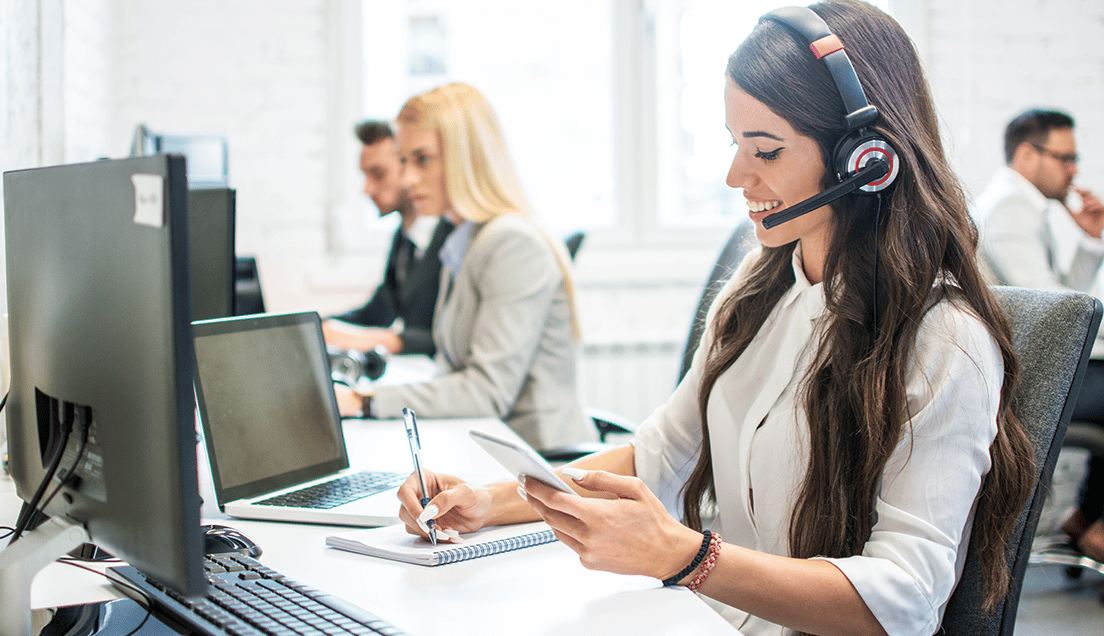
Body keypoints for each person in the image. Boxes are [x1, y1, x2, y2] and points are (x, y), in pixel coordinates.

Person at [393, 3, 1036, 635]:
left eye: (766, 151)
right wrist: (488, 502)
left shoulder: (943, 340)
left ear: (864, 162)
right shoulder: (756, 296)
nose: (737, 176)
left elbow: (905, 601)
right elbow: (659, 455)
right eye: (736, 145)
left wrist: (686, 557)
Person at [336, 83, 594, 452]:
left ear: (467, 158)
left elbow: (486, 392)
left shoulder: (511, 243)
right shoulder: (463, 239)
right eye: (405, 160)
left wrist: (365, 400)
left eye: (422, 159)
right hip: (492, 448)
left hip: (541, 462)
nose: (407, 179)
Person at [975, 108, 1104, 562]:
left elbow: (1061, 302)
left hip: (1032, 362)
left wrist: (1090, 240)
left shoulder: (1020, 204)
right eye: (1065, 158)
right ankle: (1095, 525)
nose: (1073, 171)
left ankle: (1085, 520)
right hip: (1023, 377)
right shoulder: (1010, 208)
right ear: (1028, 154)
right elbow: (1055, 316)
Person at [322, 119, 454, 356]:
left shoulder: (453, 239)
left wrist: (380, 340)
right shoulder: (404, 238)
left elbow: (449, 339)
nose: (367, 189)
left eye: (378, 174)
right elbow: (380, 312)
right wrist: (321, 326)